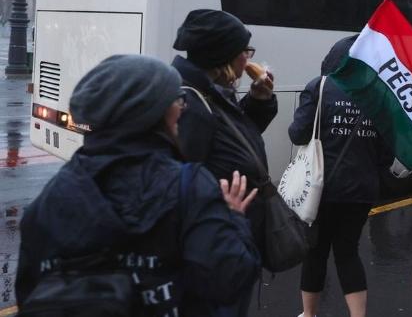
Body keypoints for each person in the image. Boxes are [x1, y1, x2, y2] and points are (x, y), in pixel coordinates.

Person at [15, 55, 261, 316]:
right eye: (176, 99)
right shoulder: (190, 187)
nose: (182, 107)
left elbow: (29, 291)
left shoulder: (51, 198)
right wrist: (234, 219)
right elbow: (231, 279)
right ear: (153, 113)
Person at [171, 9, 277, 314]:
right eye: (244, 52)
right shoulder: (191, 104)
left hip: (227, 237)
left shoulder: (212, 93)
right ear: (225, 58)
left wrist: (258, 103)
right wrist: (225, 215)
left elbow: (234, 141)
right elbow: (183, 183)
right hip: (213, 246)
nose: (248, 59)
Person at [289, 36, 395, 317]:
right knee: (348, 252)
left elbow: (298, 134)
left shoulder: (319, 87)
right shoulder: (380, 97)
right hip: (361, 190)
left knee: (315, 252)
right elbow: (386, 155)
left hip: (321, 188)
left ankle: (309, 314)